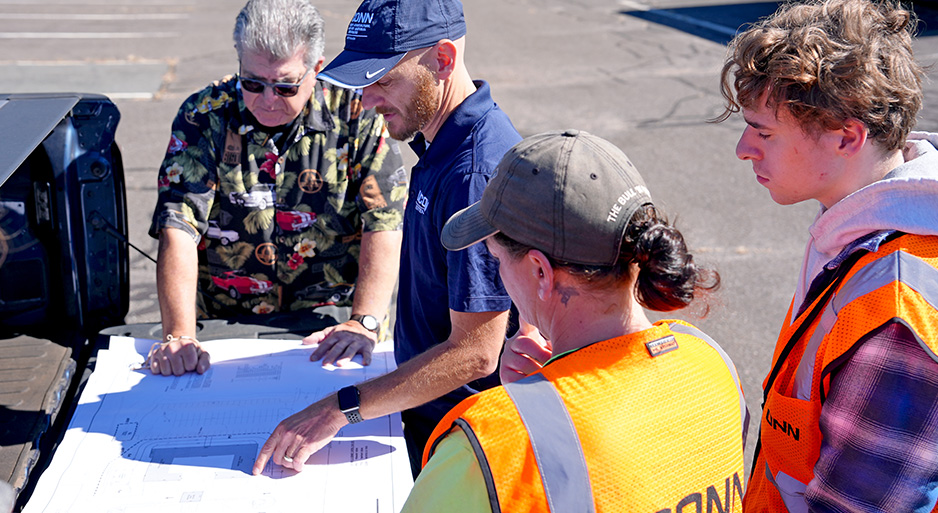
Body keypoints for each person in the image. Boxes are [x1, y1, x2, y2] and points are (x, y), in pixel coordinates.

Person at [399, 129, 748, 511]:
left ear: (541, 273)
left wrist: (530, 410)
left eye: (497, 260)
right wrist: (547, 390)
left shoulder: (491, 443)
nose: (499, 275)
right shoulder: (714, 365)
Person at [251, 0, 522, 477]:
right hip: (423, 414)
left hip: (462, 440)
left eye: (383, 80)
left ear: (442, 59)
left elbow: (476, 352)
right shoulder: (440, 140)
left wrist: (341, 408)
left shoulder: (473, 174)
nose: (367, 100)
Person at [718, 0, 938, 510]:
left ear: (847, 136)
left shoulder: (897, 312)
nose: (743, 149)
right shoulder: (859, 233)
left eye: (764, 132)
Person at [148, 0, 407, 376]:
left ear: (316, 69)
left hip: (331, 325)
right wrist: (179, 335)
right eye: (252, 83)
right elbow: (179, 226)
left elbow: (384, 221)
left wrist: (363, 321)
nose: (267, 100)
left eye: (285, 86)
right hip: (226, 324)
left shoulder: (356, 113)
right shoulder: (204, 116)